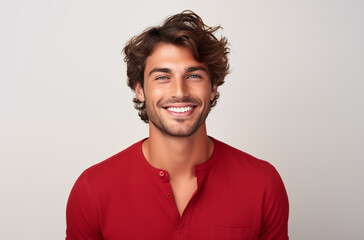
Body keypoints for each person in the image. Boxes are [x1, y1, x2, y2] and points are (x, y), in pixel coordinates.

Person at [66, 10, 289, 240]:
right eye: (162, 77)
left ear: (213, 88)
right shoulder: (93, 190)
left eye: (193, 76)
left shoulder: (262, 184)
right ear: (140, 89)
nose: (180, 92)